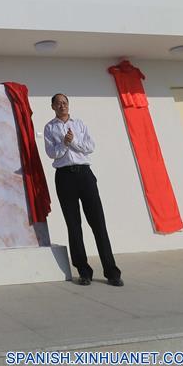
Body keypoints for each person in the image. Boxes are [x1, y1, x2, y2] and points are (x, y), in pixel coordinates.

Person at [44, 93, 123, 287]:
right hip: (64, 177)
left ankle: (111, 271)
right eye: (58, 103)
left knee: (98, 223)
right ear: (53, 106)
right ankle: (83, 271)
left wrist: (73, 142)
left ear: (68, 105)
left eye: (65, 102)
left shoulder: (79, 124)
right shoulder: (50, 127)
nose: (62, 106)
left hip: (85, 175)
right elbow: (51, 153)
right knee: (73, 224)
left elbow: (89, 147)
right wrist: (63, 143)